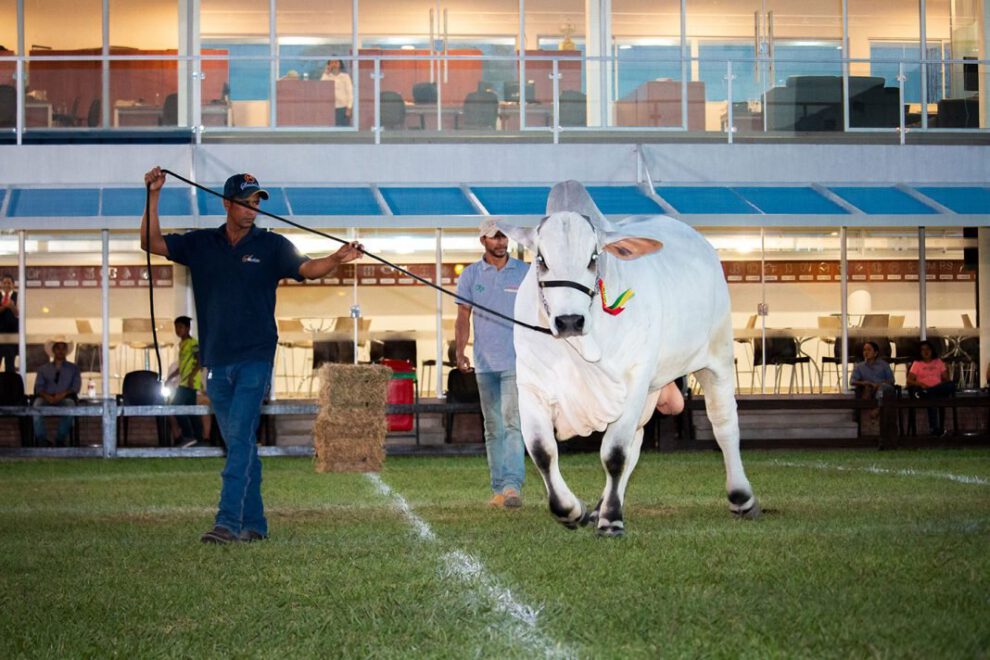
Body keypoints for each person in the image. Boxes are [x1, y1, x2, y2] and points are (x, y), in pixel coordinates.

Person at [142, 166, 363, 544]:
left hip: (255, 358)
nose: (252, 209)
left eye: (257, 203)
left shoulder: (272, 245)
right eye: (246, 203)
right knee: (240, 444)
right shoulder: (201, 244)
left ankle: (227, 522)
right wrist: (154, 194)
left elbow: (308, 269)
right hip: (216, 361)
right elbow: (152, 242)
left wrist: (337, 258)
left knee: (241, 440)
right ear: (228, 204)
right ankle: (256, 524)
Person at [455, 218, 526, 509]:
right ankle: (498, 489)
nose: (500, 242)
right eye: (494, 237)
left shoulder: (525, 272)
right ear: (482, 241)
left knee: (512, 423)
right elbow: (463, 317)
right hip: (484, 364)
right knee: (493, 427)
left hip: (516, 362)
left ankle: (512, 487)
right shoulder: (470, 275)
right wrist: (460, 351)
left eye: (503, 237)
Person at [33, 335, 81, 447]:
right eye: (58, 348)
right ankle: (42, 440)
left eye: (63, 348)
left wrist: (63, 394)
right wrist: (47, 396)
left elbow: (76, 387)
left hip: (65, 398)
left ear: (66, 350)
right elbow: (38, 388)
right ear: (53, 350)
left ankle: (60, 439)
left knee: (70, 406)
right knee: (36, 405)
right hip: (46, 398)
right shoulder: (43, 369)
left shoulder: (74, 368)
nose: (60, 350)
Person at [167, 315, 203, 448]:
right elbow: (183, 365)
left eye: (180, 327)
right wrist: (172, 377)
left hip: (189, 382)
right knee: (190, 409)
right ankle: (198, 438)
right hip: (184, 381)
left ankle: (188, 436)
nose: (178, 330)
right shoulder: (182, 344)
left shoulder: (193, 343)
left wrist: (192, 377)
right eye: (176, 327)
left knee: (176, 406)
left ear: (188, 328)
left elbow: (199, 361)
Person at [906, 339, 955, 436]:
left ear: (932, 350)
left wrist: (946, 373)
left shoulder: (938, 362)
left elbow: (946, 379)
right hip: (922, 390)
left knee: (951, 385)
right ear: (920, 352)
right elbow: (909, 381)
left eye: (928, 349)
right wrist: (920, 384)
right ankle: (934, 429)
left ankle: (929, 392)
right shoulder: (917, 363)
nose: (926, 352)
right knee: (932, 398)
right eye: (923, 350)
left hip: (936, 390)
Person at [320, 59, 353, 127]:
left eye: (336, 62)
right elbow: (321, 86)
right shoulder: (327, 76)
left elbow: (350, 92)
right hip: (329, 108)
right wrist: (326, 72)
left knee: (343, 129)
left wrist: (349, 108)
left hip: (342, 108)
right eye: (332, 62)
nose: (334, 64)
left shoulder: (345, 76)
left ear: (340, 64)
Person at [0, 273, 19, 372]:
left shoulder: (18, 296)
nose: (7, 285)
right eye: (4, 283)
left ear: (13, 284)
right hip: (0, 334)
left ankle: (9, 386)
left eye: (9, 283)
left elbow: (19, 314)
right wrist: (5, 306)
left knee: (10, 365)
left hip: (12, 335)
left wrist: (12, 306)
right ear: (1, 284)